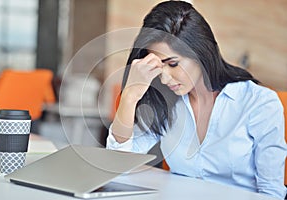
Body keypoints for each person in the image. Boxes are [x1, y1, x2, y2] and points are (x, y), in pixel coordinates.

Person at [106, 1, 286, 199]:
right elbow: (118, 166)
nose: (164, 78)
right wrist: (130, 96)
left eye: (173, 64)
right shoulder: (166, 102)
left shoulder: (258, 103)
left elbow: (272, 193)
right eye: (158, 67)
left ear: (201, 52)